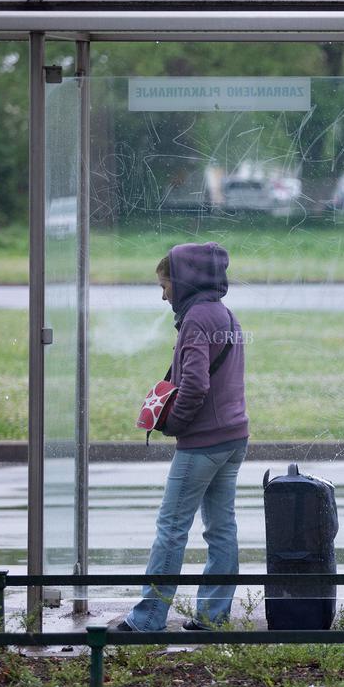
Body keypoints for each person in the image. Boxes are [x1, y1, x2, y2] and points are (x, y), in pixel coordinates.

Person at [118, 242, 249, 632]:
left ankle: (147, 619)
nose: (163, 294)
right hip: (233, 436)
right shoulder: (224, 313)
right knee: (221, 528)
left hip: (204, 441)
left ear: (184, 280)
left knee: (171, 528)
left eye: (165, 285)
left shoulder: (196, 319)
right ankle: (213, 617)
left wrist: (174, 424)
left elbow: (195, 384)